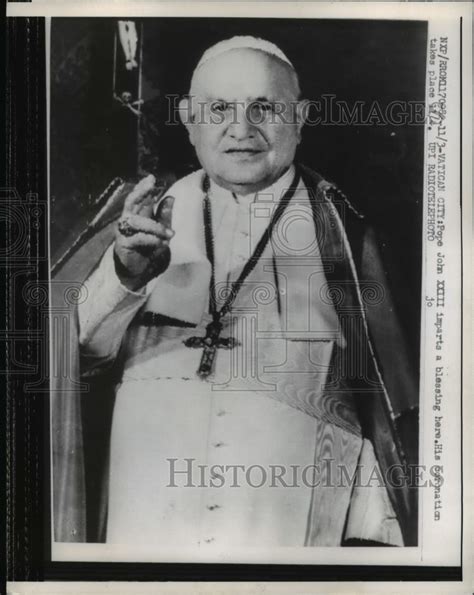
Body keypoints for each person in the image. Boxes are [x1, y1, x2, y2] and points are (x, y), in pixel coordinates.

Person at [51, 36, 418, 548]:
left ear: (301, 116)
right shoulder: (141, 216)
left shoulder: (347, 237)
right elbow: (71, 360)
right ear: (188, 116)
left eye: (264, 107)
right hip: (148, 513)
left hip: (284, 524)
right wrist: (125, 275)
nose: (241, 129)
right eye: (219, 107)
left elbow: (384, 409)